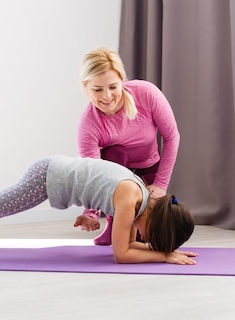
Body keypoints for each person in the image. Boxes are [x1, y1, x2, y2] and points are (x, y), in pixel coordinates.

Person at [0, 155, 196, 265]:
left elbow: (128, 244)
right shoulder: (132, 199)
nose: (143, 239)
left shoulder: (140, 196)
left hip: (50, 170)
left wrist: (163, 252)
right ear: (152, 225)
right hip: (46, 178)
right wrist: (164, 256)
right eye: (151, 238)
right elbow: (122, 254)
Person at [77, 47, 180, 246]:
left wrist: (160, 185)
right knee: (115, 152)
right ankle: (114, 223)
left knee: (158, 233)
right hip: (116, 177)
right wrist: (91, 212)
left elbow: (172, 137)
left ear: (122, 81)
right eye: (97, 89)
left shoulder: (147, 94)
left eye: (113, 87)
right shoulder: (88, 124)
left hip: (149, 167)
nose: (106, 96)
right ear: (86, 88)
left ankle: (136, 223)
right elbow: (92, 173)